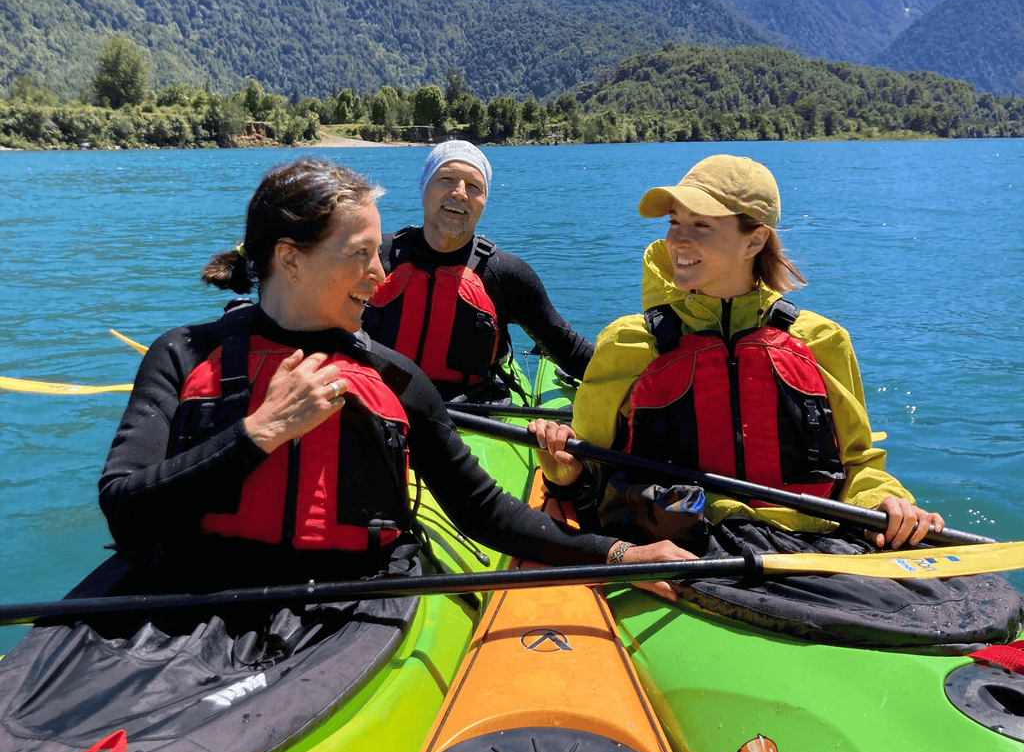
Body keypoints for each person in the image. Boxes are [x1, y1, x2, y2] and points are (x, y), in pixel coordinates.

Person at [99, 157, 690, 589]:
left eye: (380, 253)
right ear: (289, 259)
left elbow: (483, 510)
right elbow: (125, 511)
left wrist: (615, 555)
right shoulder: (181, 354)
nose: (380, 276)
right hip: (189, 599)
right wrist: (259, 434)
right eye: (360, 255)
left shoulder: (395, 378)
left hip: (339, 614)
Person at [530, 154, 944, 584]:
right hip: (678, 548)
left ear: (754, 241)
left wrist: (888, 501)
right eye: (674, 222)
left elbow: (857, 463)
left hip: (812, 547)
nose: (677, 240)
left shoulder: (820, 341)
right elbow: (592, 468)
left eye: (701, 225)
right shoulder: (630, 344)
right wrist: (566, 474)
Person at [362, 140, 594, 402]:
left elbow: (570, 351)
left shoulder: (505, 274)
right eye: (447, 178)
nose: (460, 193)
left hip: (471, 415)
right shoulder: (374, 255)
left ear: (483, 202)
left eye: (474, 186)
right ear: (424, 188)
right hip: (377, 407)